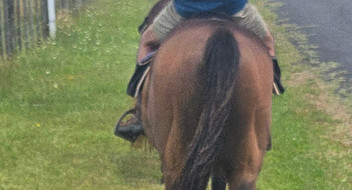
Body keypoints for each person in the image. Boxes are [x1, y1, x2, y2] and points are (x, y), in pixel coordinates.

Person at [114, 0, 283, 142]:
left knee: (147, 42)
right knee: (267, 43)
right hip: (234, 8)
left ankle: (139, 113)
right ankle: (263, 114)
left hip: (186, 9)